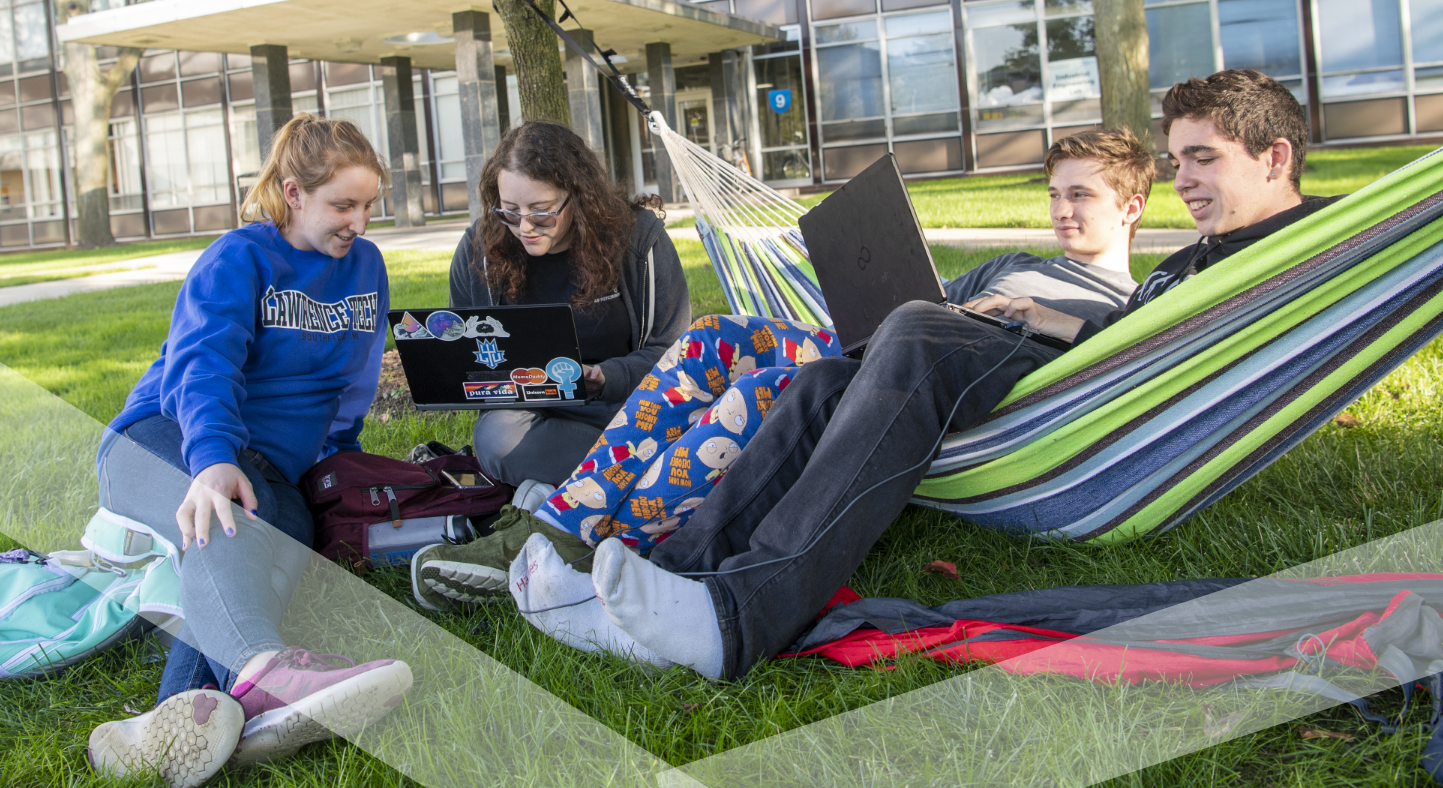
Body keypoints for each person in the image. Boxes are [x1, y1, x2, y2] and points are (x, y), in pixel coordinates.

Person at [541, 70, 1327, 679]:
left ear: (1276, 157)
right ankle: (663, 577)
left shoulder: (1298, 252)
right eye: (1180, 158)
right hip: (1069, 372)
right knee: (819, 384)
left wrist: (1052, 323)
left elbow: (1170, 358)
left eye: (1205, 159)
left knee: (916, 328)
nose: (1186, 178)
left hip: (1078, 402)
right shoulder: (1198, 254)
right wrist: (1041, 314)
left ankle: (743, 609)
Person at [415, 127, 1152, 627]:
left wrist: (1039, 315)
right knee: (711, 341)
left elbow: (1128, 356)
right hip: (873, 340)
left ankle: (574, 541)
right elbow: (936, 295)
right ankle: (562, 525)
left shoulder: (1129, 300)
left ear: (1133, 205)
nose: (1062, 211)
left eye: (1081, 196)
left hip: (922, 377)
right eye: (1056, 194)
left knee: (750, 400)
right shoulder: (1010, 263)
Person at [87, 115, 412, 788]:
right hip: (166, 440)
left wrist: (337, 463)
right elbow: (202, 365)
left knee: (264, 561)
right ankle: (272, 673)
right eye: (342, 204)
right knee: (227, 520)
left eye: (368, 204)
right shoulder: (240, 257)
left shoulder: (367, 267)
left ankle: (175, 728)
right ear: (294, 194)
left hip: (272, 473)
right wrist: (209, 460)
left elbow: (352, 383)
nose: (359, 220)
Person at [447, 120, 690, 492]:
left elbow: (673, 351)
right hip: (532, 418)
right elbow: (465, 355)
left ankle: (565, 489)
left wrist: (608, 376)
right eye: (509, 211)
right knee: (497, 437)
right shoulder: (477, 250)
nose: (525, 226)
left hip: (627, 408)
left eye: (541, 211)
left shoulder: (638, 240)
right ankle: (644, 479)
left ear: (577, 195)